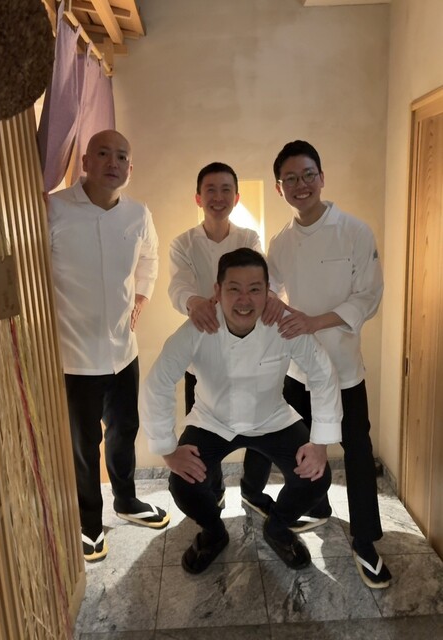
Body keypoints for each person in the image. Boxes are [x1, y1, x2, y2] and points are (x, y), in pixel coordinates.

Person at [141, 248, 342, 574]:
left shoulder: (282, 325)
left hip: (271, 418)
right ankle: (213, 532)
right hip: (212, 419)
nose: (244, 300)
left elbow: (322, 373)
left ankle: (278, 528)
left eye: (254, 289)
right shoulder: (199, 327)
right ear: (217, 291)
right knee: (183, 482)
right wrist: (168, 450)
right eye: (234, 289)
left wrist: (319, 444)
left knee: (316, 477)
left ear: (268, 292)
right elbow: (158, 381)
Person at [268, 139, 391, 589]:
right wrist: (283, 317)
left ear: (322, 177)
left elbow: (369, 296)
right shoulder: (281, 241)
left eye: (308, 175)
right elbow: (268, 289)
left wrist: (312, 321)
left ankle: (365, 541)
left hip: (343, 368)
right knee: (301, 450)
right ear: (280, 188)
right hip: (299, 370)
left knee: (356, 451)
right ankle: (315, 507)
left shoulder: (354, 231)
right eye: (290, 179)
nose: (300, 185)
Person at [49, 129, 169, 563]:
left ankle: (127, 500)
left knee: (124, 430)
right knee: (84, 445)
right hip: (74, 354)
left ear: (129, 168)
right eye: (103, 153)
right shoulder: (53, 209)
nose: (112, 163)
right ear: (85, 162)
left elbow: (150, 259)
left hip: (122, 351)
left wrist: (141, 298)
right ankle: (89, 523)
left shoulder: (138, 214)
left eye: (121, 156)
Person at [168, 162, 284, 516]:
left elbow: (264, 280)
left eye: (225, 190)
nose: (218, 197)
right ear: (198, 198)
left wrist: (267, 300)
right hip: (204, 353)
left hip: (251, 349)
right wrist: (195, 303)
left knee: (262, 425)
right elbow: (179, 286)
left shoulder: (249, 238)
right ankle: (214, 492)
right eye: (211, 190)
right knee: (205, 430)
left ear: (236, 197)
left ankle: (252, 490)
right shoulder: (183, 243)